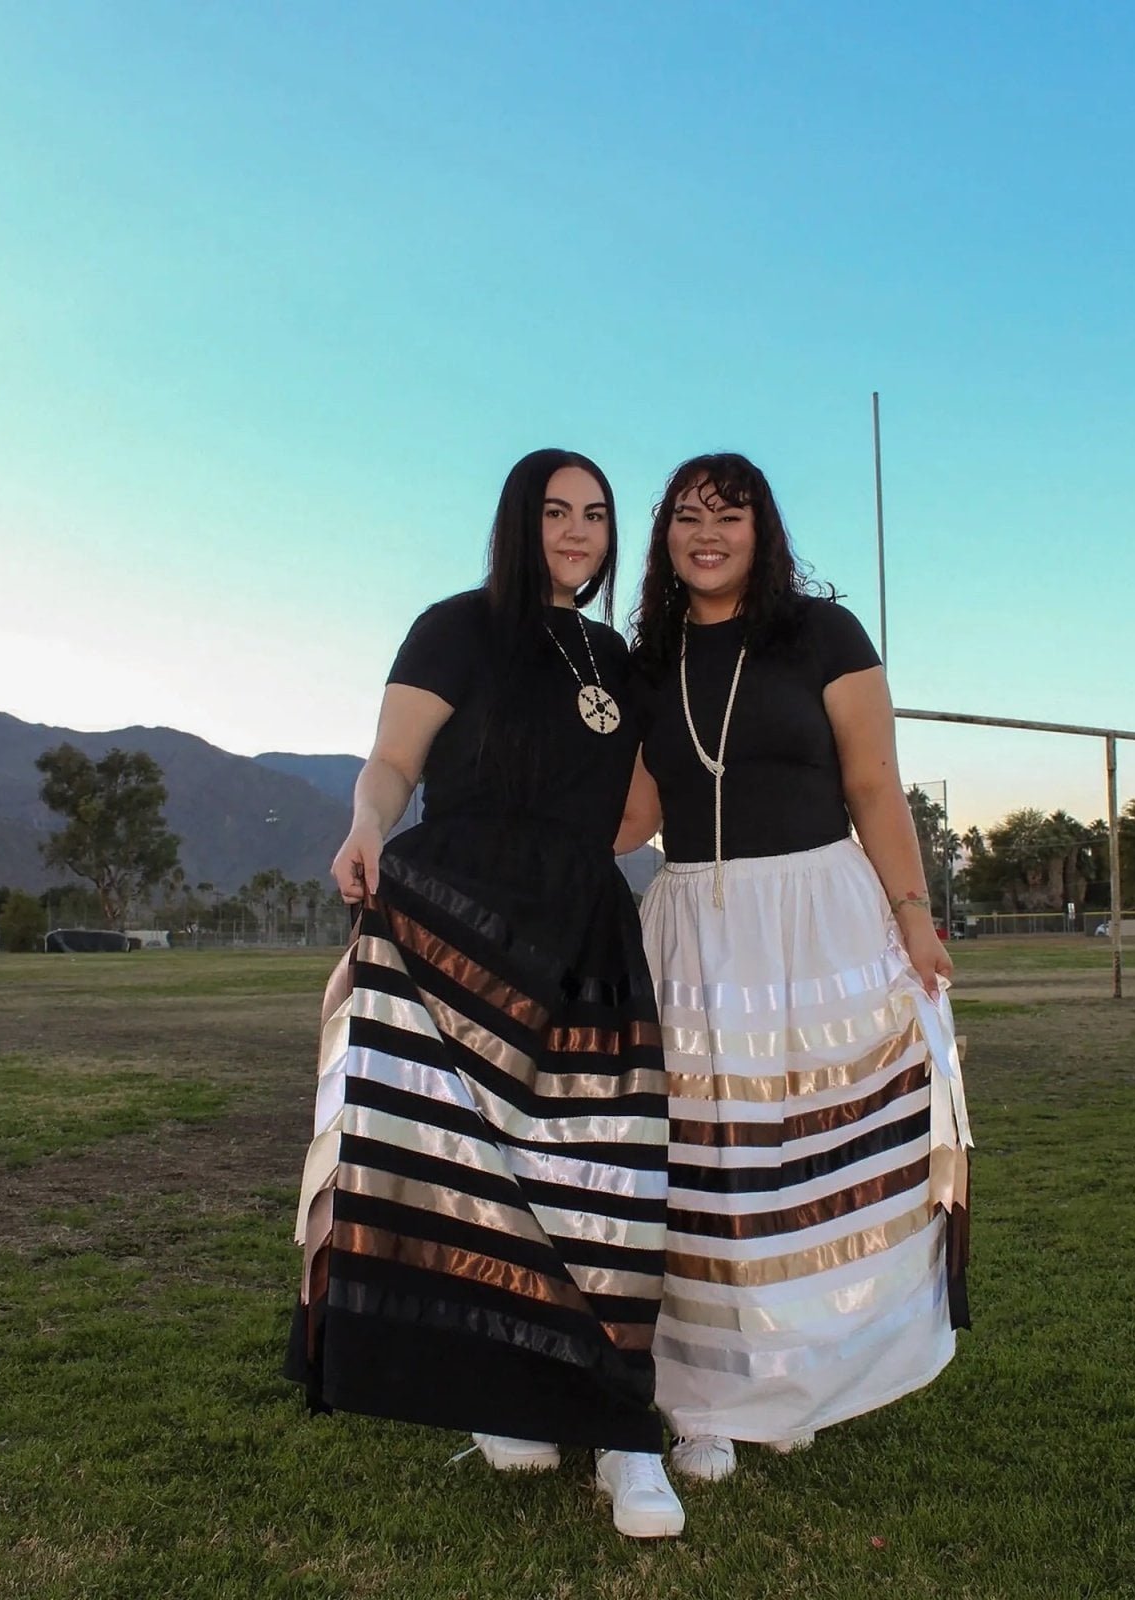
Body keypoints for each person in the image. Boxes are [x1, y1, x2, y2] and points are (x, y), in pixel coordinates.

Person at [286, 449, 684, 1538]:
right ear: (519, 521)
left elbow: (639, 813)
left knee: (603, 1165)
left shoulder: (614, 656)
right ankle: (503, 1390)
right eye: (555, 511)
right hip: (456, 918)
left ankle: (621, 1436)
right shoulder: (453, 625)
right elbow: (389, 764)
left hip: (582, 922)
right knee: (468, 1163)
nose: (576, 530)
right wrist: (367, 825)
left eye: (595, 514)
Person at [617, 452, 972, 1482]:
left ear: (762, 531)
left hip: (818, 913)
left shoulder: (824, 634)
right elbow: (636, 816)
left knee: (814, 1150)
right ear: (665, 538)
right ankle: (704, 1400)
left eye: (728, 515)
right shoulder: (650, 660)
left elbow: (873, 784)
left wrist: (912, 915)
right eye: (686, 516)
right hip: (690, 921)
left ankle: (807, 1371)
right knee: (707, 1166)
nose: (706, 532)